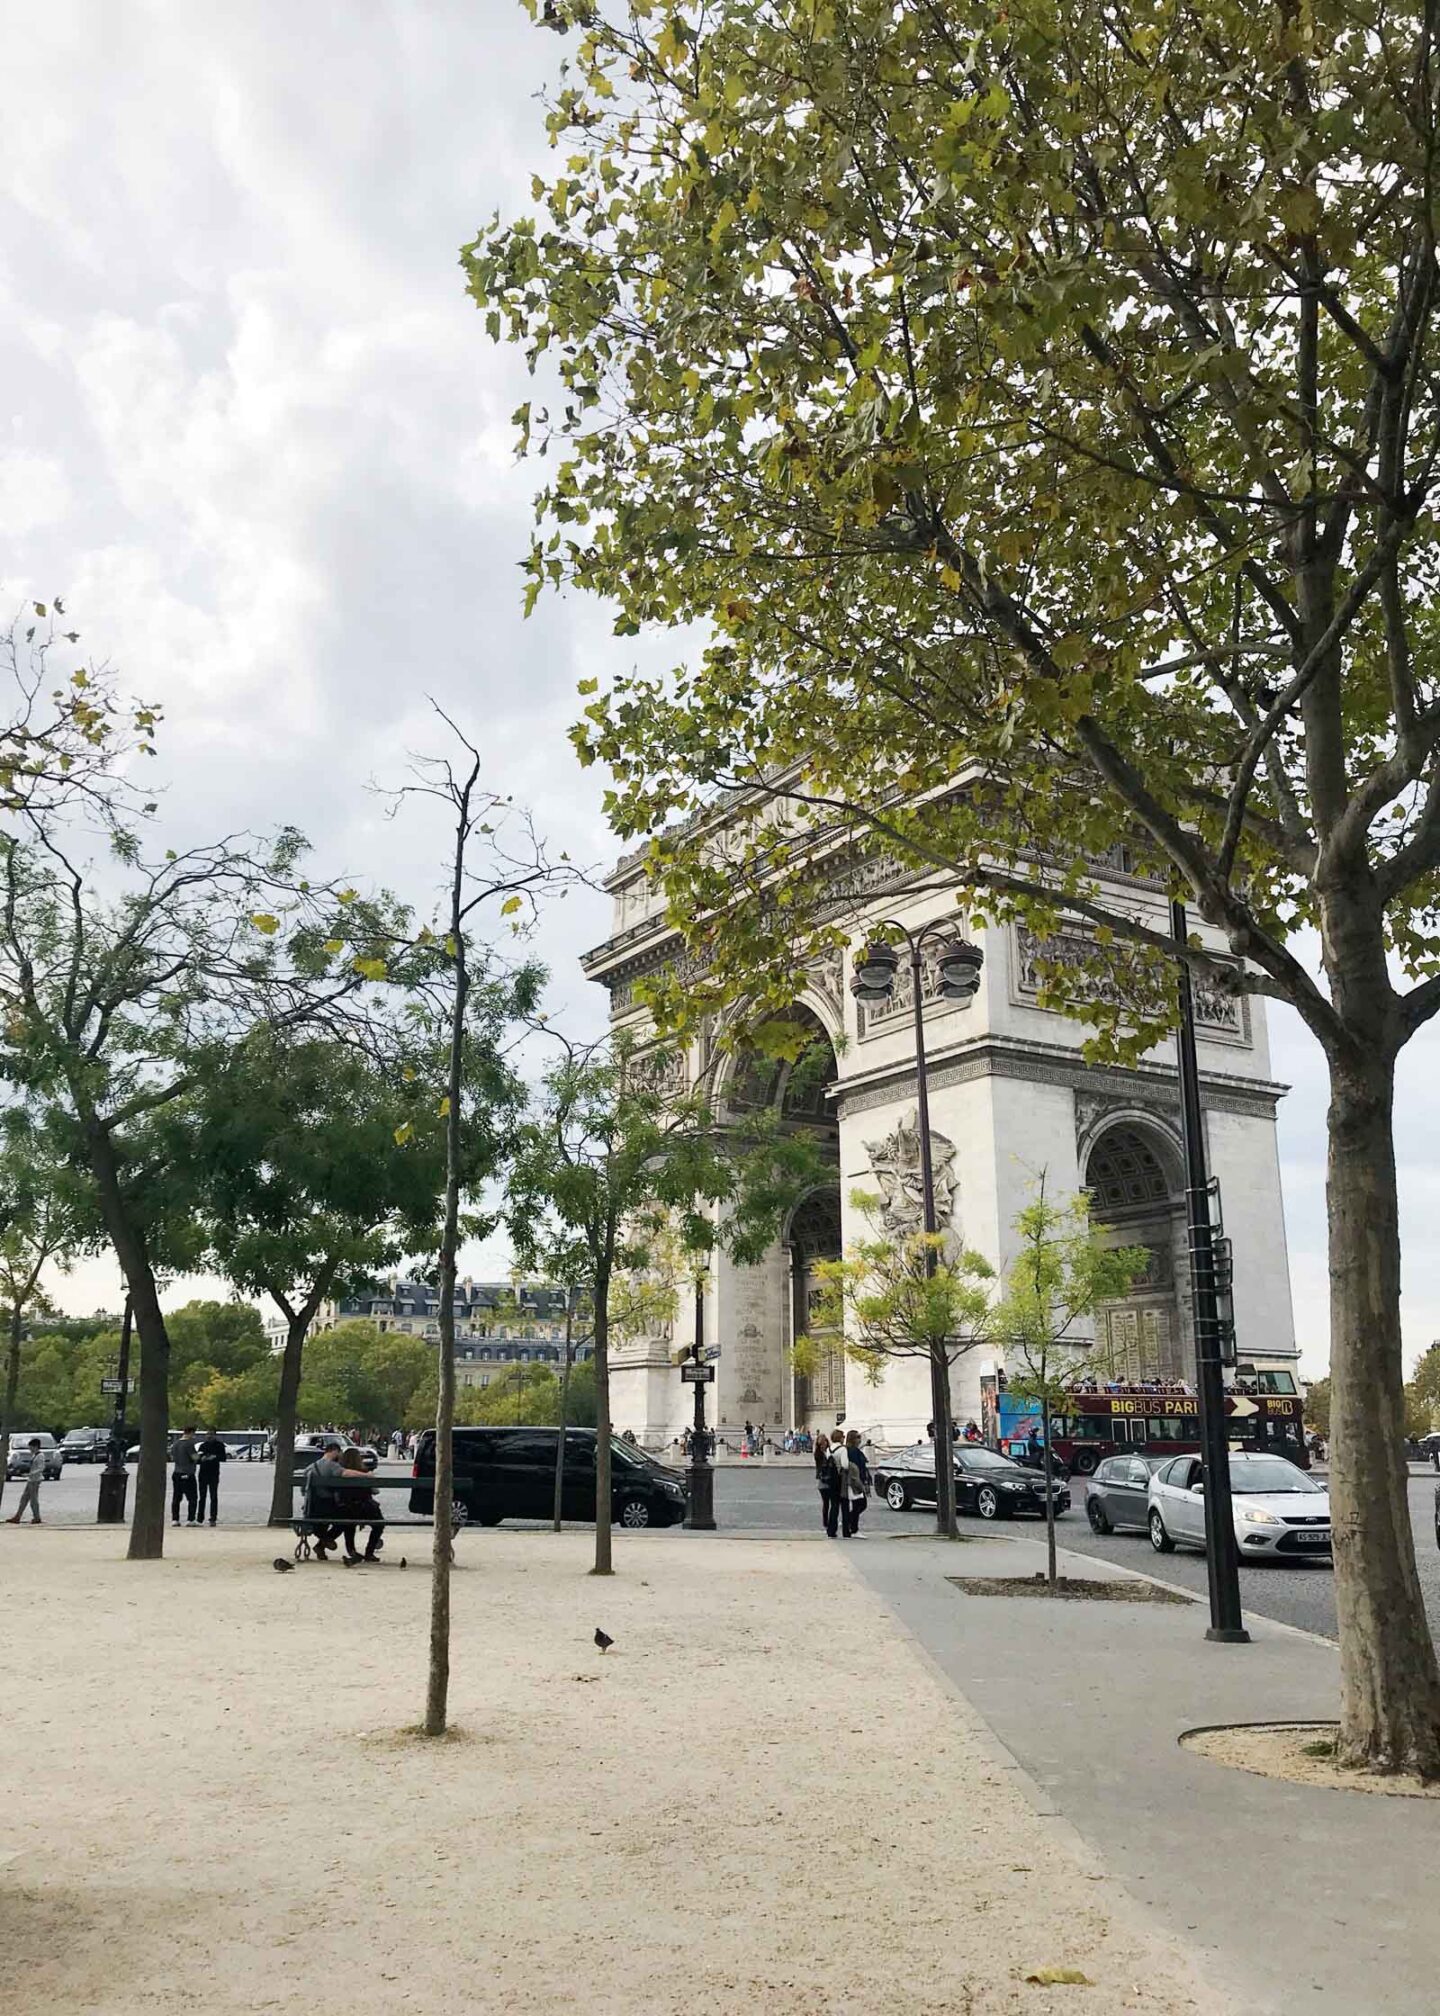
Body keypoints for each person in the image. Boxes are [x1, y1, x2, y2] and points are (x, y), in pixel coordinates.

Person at [339, 1446, 385, 1562]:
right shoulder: (364, 1473)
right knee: (379, 1524)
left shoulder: (340, 1473)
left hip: (346, 1508)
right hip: (365, 1508)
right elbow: (375, 1491)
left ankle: (351, 1550)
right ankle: (369, 1552)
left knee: (349, 1524)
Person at [6, 1438, 46, 1524]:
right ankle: (18, 1516)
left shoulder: (40, 1456)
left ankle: (37, 1517)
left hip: (35, 1480)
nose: (30, 1449)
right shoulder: (35, 1455)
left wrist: (29, 1474)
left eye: (31, 1447)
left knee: (33, 1500)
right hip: (31, 1480)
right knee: (24, 1499)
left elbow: (41, 1468)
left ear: (35, 1447)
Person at [195, 1427, 228, 1526]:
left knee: (213, 1496)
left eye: (211, 1434)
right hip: (203, 1473)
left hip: (214, 1473)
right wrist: (202, 1459)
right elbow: (196, 1459)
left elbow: (223, 1458)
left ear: (215, 1435)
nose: (209, 1436)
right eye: (207, 1434)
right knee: (202, 1496)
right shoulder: (202, 1446)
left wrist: (215, 1457)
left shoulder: (220, 1445)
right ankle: (200, 1517)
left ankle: (213, 1517)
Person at [170, 1426, 200, 1526]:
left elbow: (172, 1456)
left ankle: (175, 1519)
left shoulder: (175, 1444)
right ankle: (190, 1519)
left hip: (176, 1472)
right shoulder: (189, 1444)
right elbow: (194, 1457)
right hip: (187, 1473)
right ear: (191, 1433)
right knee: (192, 1497)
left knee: (176, 1497)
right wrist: (200, 1456)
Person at [843, 1429, 869, 1536]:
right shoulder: (853, 1451)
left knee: (858, 1504)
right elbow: (856, 1467)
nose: (860, 1439)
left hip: (856, 1480)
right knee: (860, 1504)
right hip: (856, 1481)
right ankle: (853, 1528)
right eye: (858, 1437)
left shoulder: (852, 1450)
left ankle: (849, 1521)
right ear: (853, 1439)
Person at [815, 1433, 840, 1537]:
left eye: (824, 1442)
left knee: (827, 1504)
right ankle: (827, 1523)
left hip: (823, 1481)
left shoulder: (822, 1453)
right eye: (821, 1443)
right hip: (825, 1481)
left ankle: (827, 1523)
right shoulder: (820, 1454)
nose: (823, 1444)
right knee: (827, 1504)